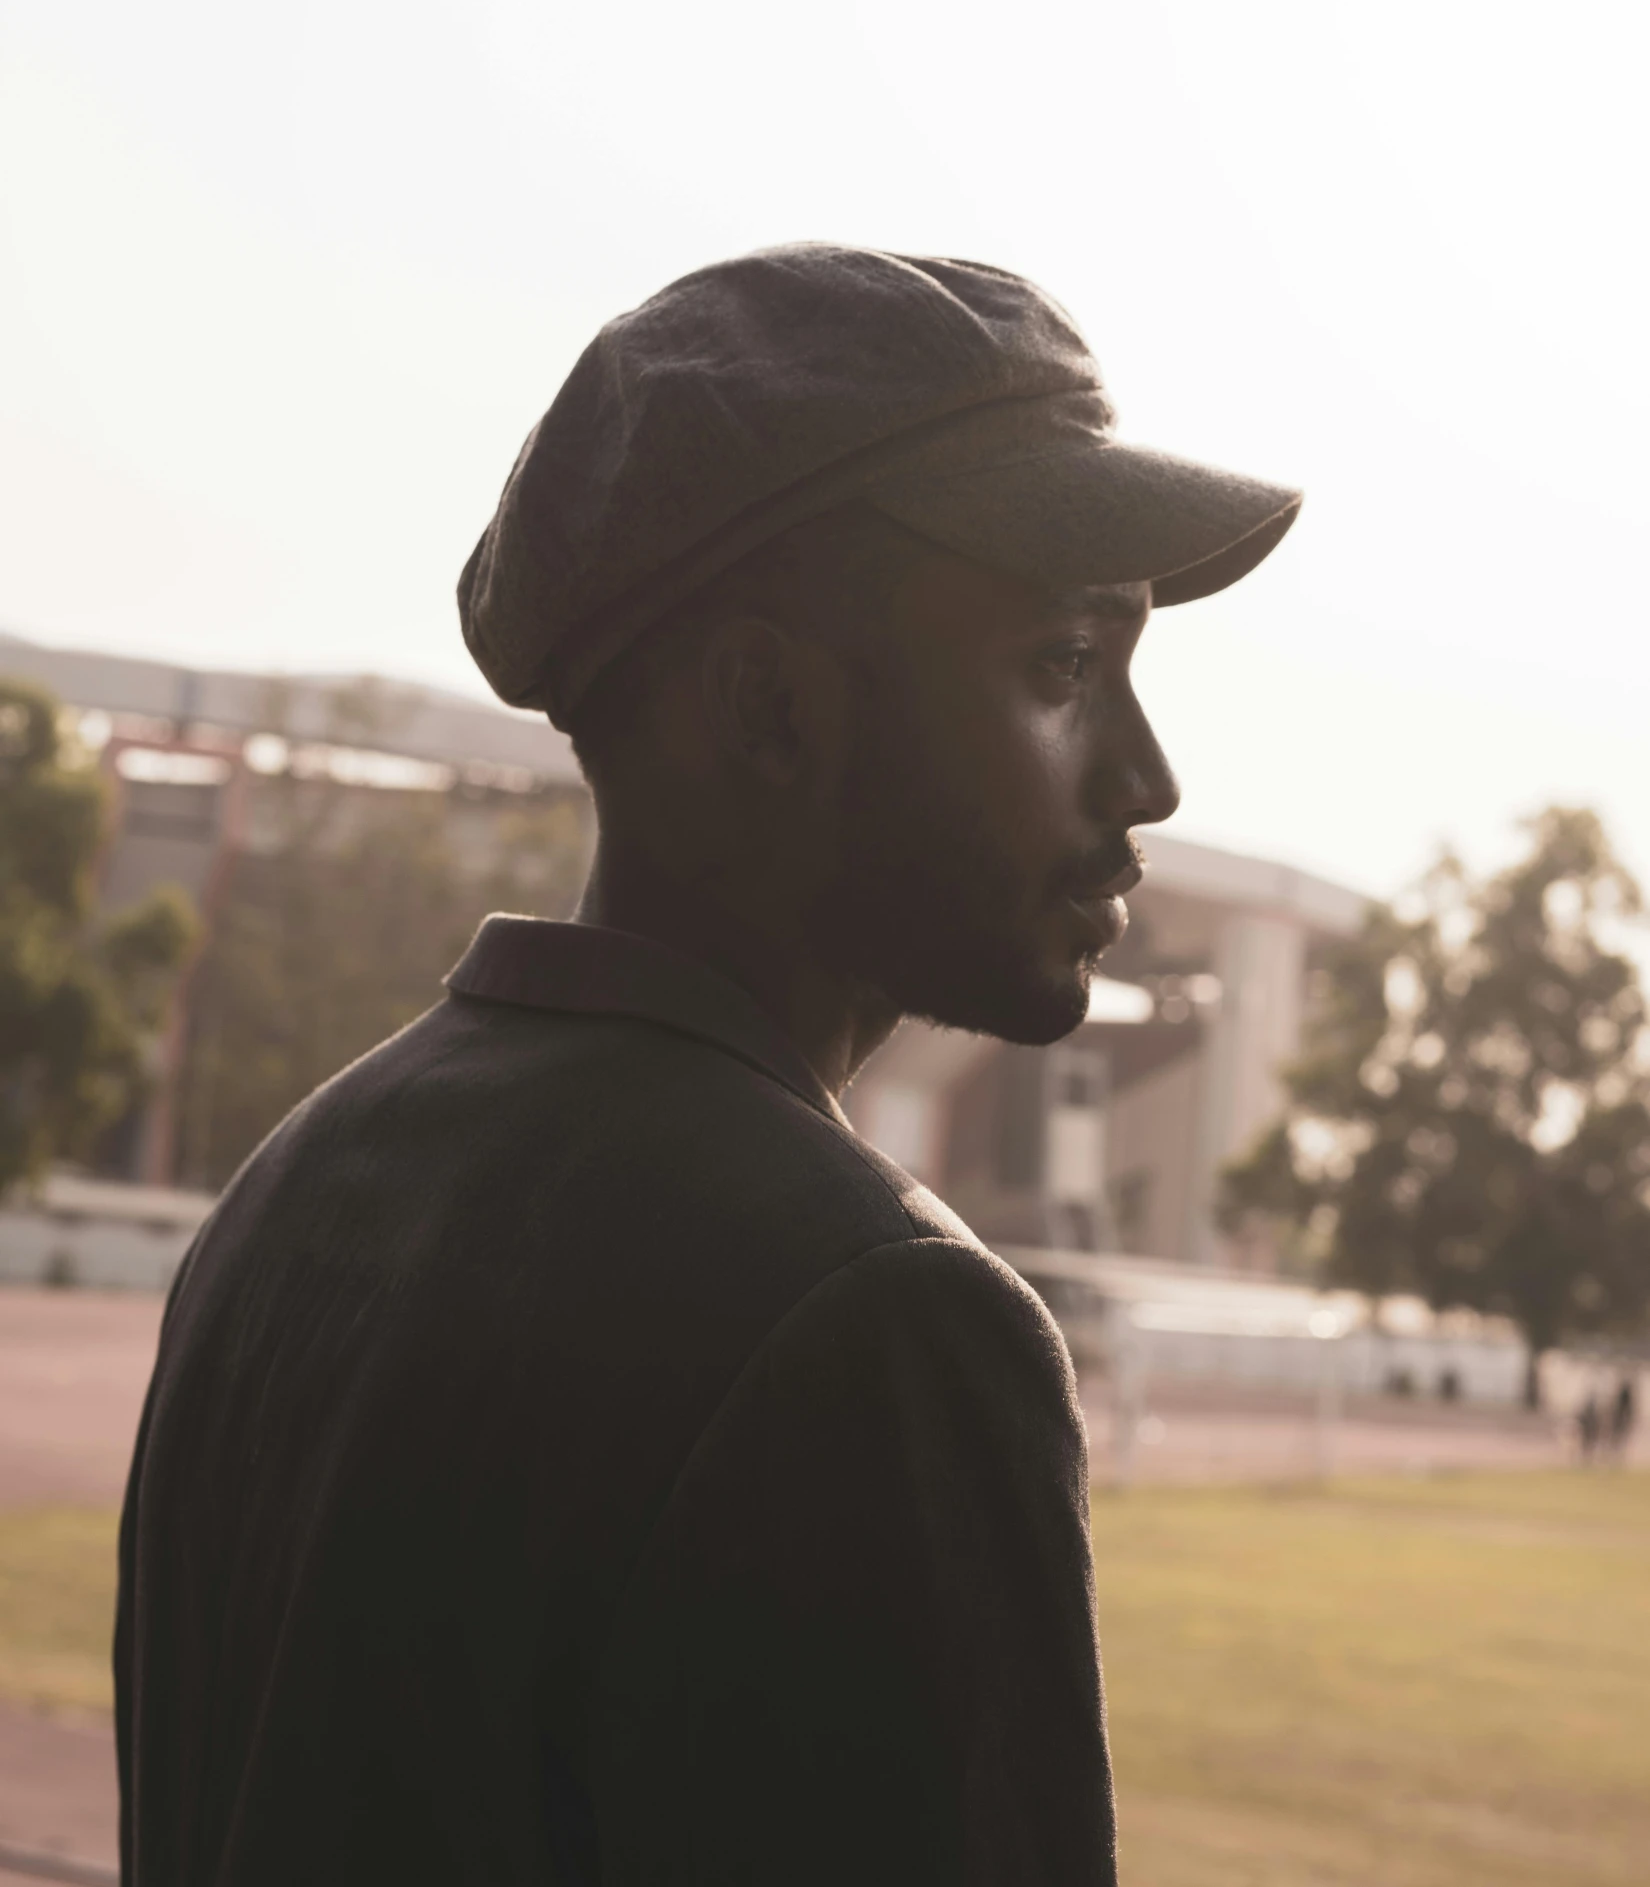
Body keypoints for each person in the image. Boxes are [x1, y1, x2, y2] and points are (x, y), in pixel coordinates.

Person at [116, 244, 1301, 1885]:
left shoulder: (294, 1188)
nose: (1148, 777)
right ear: (767, 708)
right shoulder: (872, 1313)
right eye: (1063, 668)